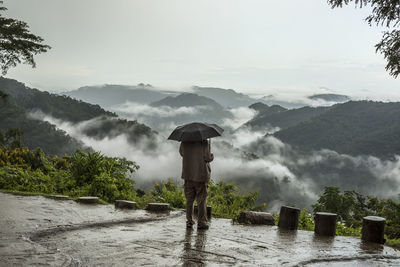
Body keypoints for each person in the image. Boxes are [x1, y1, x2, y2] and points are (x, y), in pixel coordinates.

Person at [179, 139, 214, 230]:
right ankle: (201, 222)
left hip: (188, 174)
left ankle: (189, 221)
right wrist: (211, 155)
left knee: (189, 199)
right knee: (201, 199)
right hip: (200, 175)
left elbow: (182, 153)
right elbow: (207, 158)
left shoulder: (184, 141)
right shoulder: (204, 142)